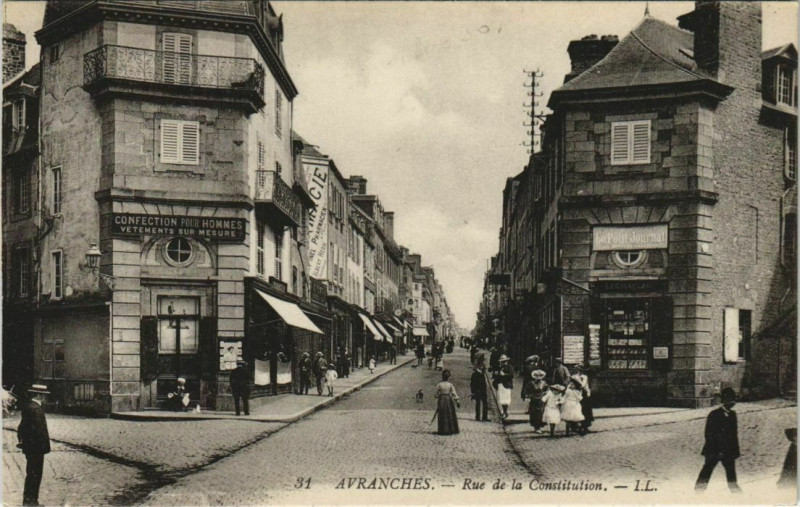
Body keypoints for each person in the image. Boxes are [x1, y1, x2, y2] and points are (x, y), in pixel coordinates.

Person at [695, 387, 742, 493]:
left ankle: (736, 493)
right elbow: (709, 434)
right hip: (714, 450)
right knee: (707, 471)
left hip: (728, 451)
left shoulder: (733, 415)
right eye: (730, 400)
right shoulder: (714, 414)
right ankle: (698, 491)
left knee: (731, 474)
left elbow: (734, 435)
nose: (732, 402)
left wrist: (735, 451)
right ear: (724, 401)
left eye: (733, 400)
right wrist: (718, 450)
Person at [18, 384, 51, 506]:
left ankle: (28, 500)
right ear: (38, 395)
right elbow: (39, 431)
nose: (45, 398)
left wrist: (23, 442)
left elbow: (21, 428)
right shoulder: (36, 409)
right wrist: (43, 447)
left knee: (31, 474)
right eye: (44, 396)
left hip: (30, 448)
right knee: (35, 475)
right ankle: (32, 502)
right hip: (36, 449)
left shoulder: (29, 407)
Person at [434, 369, 460, 435]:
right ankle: (451, 429)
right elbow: (454, 393)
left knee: (442, 414)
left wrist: (439, 396)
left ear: (442, 376)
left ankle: (442, 430)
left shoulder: (439, 384)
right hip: (448, 399)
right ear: (448, 377)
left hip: (442, 399)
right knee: (449, 413)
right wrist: (457, 400)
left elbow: (436, 395)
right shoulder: (450, 385)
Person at [492, 355, 514, 420]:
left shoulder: (510, 367)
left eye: (504, 362)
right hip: (500, 384)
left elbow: (511, 375)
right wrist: (496, 374)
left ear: (506, 361)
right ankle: (504, 412)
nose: (502, 363)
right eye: (502, 362)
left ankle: (505, 412)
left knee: (506, 399)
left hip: (506, 385)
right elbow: (496, 375)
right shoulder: (500, 367)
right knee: (502, 399)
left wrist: (504, 375)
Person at [575, 364, 594, 434]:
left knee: (585, 410)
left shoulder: (585, 377)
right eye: (578, 370)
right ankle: (577, 426)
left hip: (584, 394)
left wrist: (588, 393)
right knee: (577, 409)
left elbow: (585, 385)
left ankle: (585, 426)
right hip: (577, 394)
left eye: (581, 370)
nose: (580, 371)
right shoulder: (574, 377)